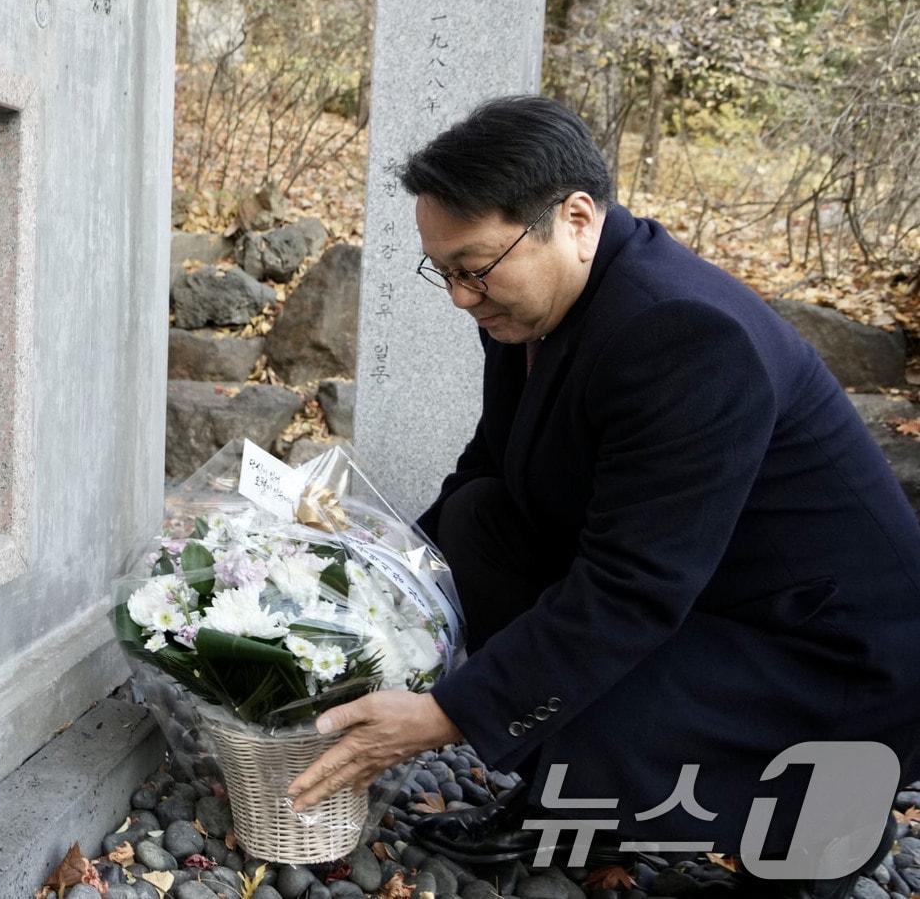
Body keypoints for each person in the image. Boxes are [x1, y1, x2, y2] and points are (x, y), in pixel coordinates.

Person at [286, 96, 920, 897]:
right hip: (701, 584)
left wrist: (446, 714)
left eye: (474, 267)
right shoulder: (533, 308)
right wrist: (368, 588)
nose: (460, 297)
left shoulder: (685, 333)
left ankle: (816, 829)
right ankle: (574, 803)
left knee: (609, 723)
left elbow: (633, 589)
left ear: (576, 218)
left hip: (819, 646)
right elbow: (489, 469)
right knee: (481, 522)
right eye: (443, 272)